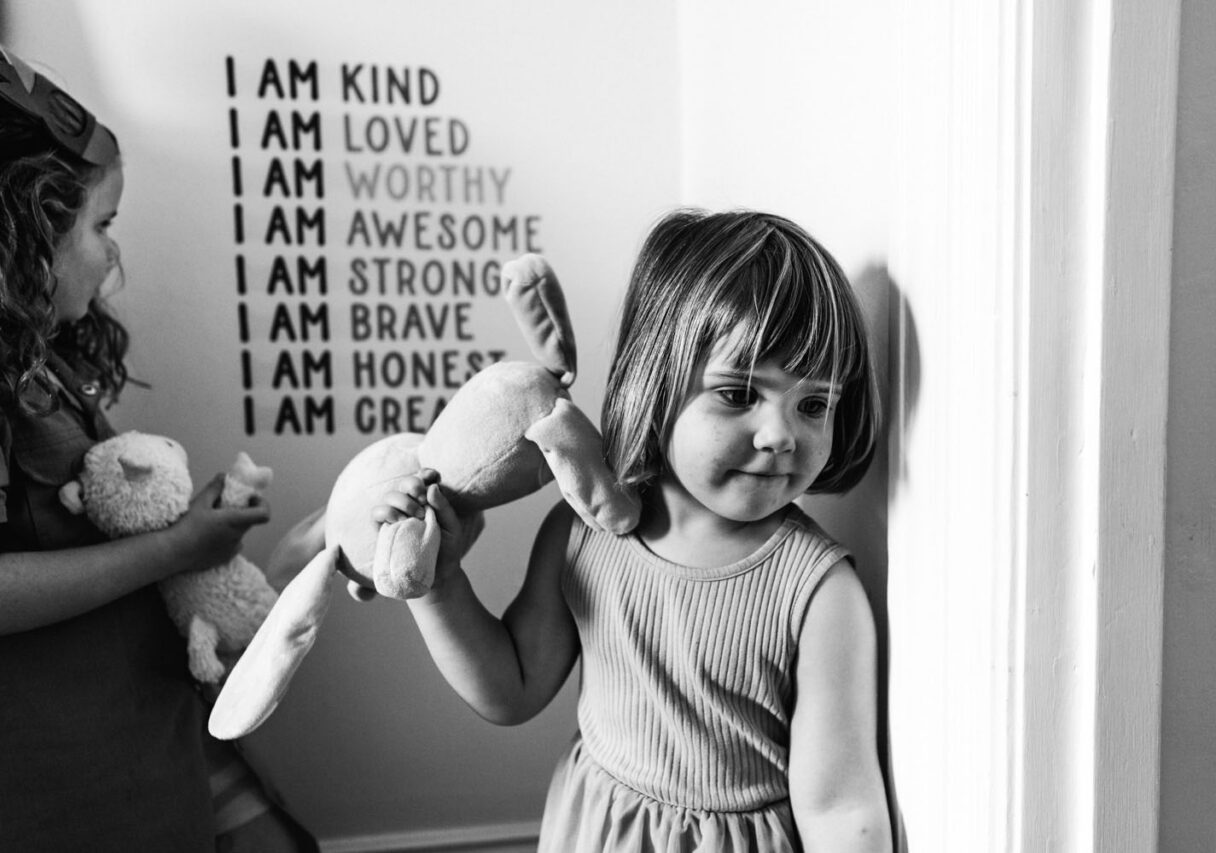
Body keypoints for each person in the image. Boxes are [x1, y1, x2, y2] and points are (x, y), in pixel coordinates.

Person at [380, 209, 892, 851]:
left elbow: (842, 809)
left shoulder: (818, 591)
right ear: (656, 383)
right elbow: (511, 689)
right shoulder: (585, 533)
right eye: (738, 394)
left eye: (813, 403)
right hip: (595, 828)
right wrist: (438, 585)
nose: (781, 434)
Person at [0, 46, 319, 851]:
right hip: (63, 797)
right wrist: (175, 546)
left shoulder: (46, 367)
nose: (113, 256)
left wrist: (188, 533)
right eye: (100, 226)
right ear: (25, 231)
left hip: (149, 748)